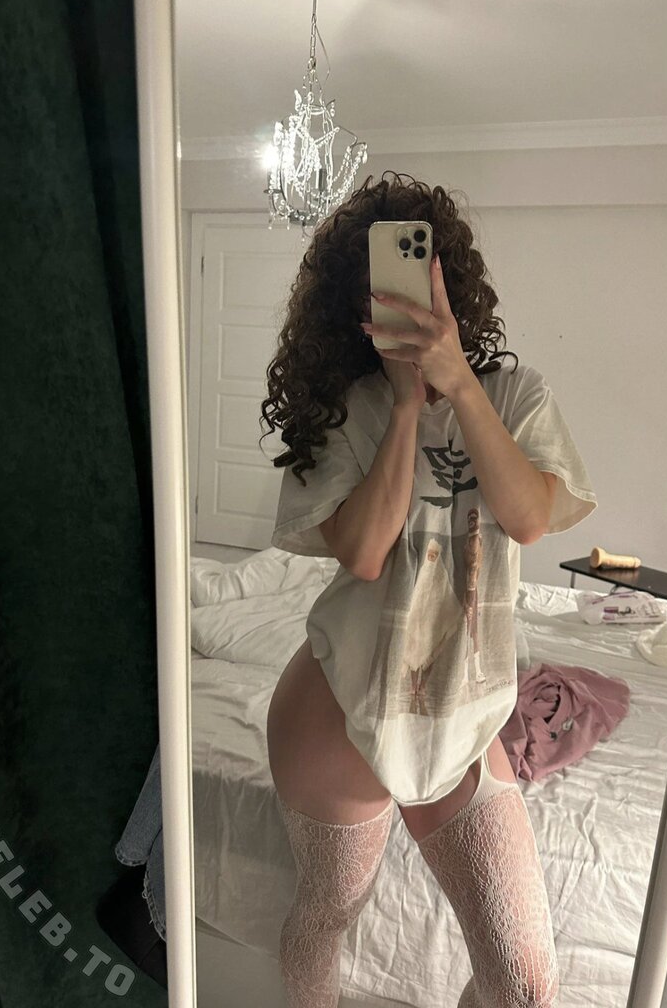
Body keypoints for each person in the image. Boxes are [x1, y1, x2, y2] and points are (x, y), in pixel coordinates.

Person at [263, 172, 597, 1007]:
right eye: (379, 286)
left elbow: (527, 519)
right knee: (328, 915)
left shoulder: (514, 396)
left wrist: (457, 384)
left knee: (524, 982)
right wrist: (407, 405)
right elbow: (363, 553)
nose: (403, 299)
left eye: (419, 275)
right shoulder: (347, 411)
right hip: (339, 702)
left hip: (463, 707)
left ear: (452, 283)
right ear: (351, 304)